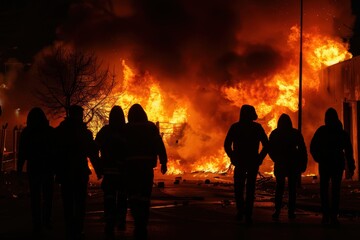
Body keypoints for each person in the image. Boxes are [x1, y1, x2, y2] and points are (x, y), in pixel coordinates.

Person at [54, 105, 101, 240]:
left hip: (65, 172)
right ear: (79, 115)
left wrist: (55, 170)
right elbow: (92, 153)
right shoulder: (85, 133)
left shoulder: (60, 131)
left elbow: (55, 153)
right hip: (80, 172)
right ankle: (79, 228)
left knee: (67, 202)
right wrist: (98, 169)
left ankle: (69, 228)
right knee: (80, 202)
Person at [125, 103, 167, 239]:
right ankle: (143, 221)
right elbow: (159, 145)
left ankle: (137, 218)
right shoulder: (150, 127)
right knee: (145, 194)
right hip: (146, 167)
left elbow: (120, 147)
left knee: (133, 194)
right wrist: (163, 162)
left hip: (130, 168)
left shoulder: (127, 128)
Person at [224, 104, 268, 224]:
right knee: (250, 188)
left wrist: (232, 156)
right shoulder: (257, 128)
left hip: (241, 161)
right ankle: (247, 213)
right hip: (252, 161)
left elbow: (227, 145)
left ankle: (241, 211)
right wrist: (260, 158)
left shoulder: (235, 127)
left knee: (239, 188)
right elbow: (266, 145)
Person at [310, 107, 355, 226]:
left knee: (324, 190)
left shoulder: (322, 131)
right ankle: (333, 216)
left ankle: (326, 216)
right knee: (335, 191)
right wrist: (351, 165)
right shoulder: (341, 133)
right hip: (336, 164)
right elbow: (349, 151)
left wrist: (318, 158)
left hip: (325, 164)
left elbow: (313, 146)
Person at [17, 107, 55, 236]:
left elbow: (22, 153)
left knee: (35, 197)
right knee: (47, 196)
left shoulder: (27, 133)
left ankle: (37, 223)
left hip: (34, 168)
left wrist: (19, 170)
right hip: (48, 169)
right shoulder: (50, 132)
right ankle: (46, 220)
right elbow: (56, 152)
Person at [95, 106, 128, 239]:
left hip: (108, 171)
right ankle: (121, 220)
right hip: (123, 171)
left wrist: (98, 166)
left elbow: (94, 148)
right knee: (122, 195)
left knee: (109, 196)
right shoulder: (127, 131)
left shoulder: (104, 131)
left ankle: (109, 220)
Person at [268, 113, 307, 220]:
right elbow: (302, 149)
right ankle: (291, 212)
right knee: (292, 189)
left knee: (279, 188)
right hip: (292, 164)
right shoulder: (295, 133)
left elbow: (270, 149)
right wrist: (303, 163)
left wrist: (275, 158)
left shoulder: (275, 133)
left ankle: (277, 210)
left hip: (281, 164)